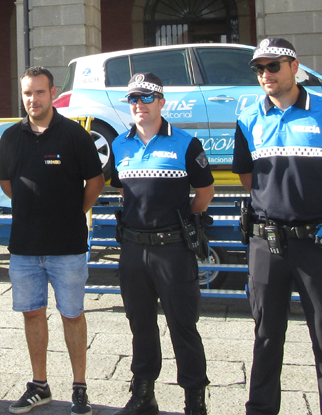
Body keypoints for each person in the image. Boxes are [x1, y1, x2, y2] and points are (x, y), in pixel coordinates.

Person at [232, 38, 322, 415]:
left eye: (273, 66)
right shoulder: (248, 118)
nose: (265, 74)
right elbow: (248, 176)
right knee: (266, 337)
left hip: (318, 242)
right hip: (266, 243)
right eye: (259, 69)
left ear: (294, 66)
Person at [0, 66, 104, 415]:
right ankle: (39, 385)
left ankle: (79, 388)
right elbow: (7, 183)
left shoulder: (74, 135)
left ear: (53, 93)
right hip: (25, 246)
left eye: (39, 92)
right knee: (32, 314)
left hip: (67, 246)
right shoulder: (10, 137)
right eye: (27, 93)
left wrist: (73, 211)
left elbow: (96, 182)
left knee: (72, 314)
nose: (33, 99)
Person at [110, 73, 215, 415]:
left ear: (161, 102)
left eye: (145, 97)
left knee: (182, 325)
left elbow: (205, 193)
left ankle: (194, 399)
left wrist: (180, 222)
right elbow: (122, 188)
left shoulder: (186, 143)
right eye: (133, 99)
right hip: (132, 249)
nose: (138, 104)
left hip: (173, 249)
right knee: (140, 324)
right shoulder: (120, 145)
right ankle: (143, 394)